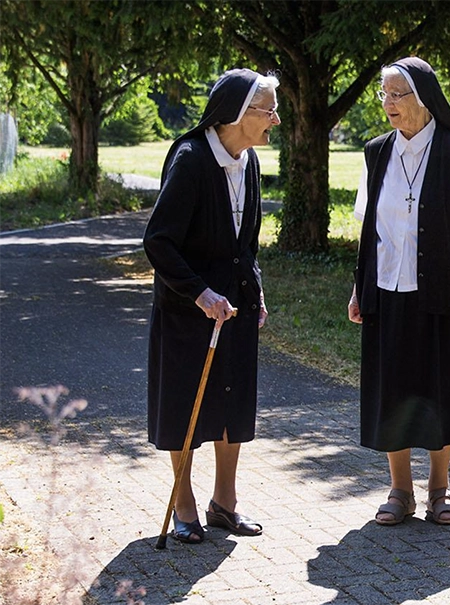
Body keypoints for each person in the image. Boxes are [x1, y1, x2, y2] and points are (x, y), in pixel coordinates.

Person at [348, 57, 450, 526]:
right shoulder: (376, 153)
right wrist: (358, 288)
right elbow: (368, 229)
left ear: (423, 98)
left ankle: (439, 490)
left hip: (442, 294)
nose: (388, 104)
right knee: (392, 388)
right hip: (386, 289)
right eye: (384, 95)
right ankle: (399, 490)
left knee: (440, 388)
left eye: (398, 94)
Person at [144, 68, 280, 543]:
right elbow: (159, 242)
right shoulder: (191, 160)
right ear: (239, 114)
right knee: (184, 405)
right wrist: (200, 293)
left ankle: (225, 503)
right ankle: (184, 505)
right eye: (269, 110)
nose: (276, 120)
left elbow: (247, 243)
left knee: (232, 402)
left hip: (235, 306)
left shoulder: (250, 161)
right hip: (187, 307)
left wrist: (254, 290)